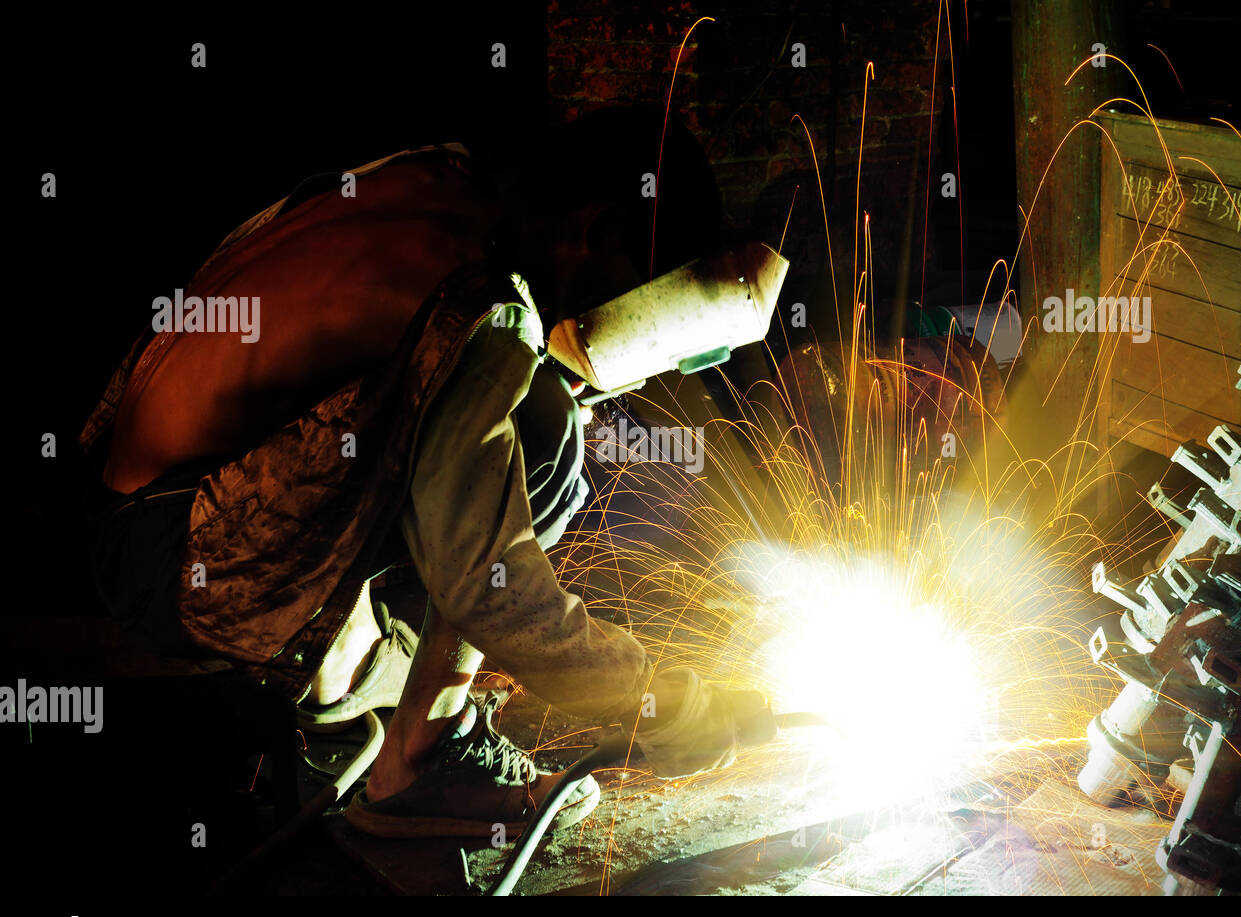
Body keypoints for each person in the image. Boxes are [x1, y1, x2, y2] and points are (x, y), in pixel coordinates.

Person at [80, 108, 786, 840]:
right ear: (598, 231)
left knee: (522, 411)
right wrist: (661, 702)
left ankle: (351, 667)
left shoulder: (443, 179)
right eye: (630, 284)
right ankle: (424, 760)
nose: (613, 316)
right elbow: (486, 583)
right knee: (545, 432)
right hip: (178, 570)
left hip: (132, 508)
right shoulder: (479, 307)